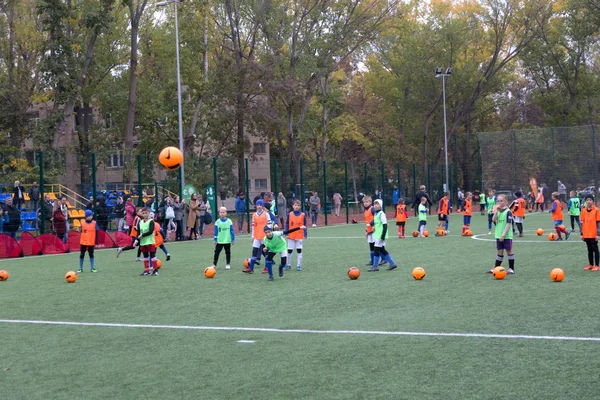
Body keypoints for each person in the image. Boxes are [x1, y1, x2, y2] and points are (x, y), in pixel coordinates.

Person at [486, 194, 515, 274]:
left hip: (506, 236)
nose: (499, 202)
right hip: (498, 235)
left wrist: (503, 235)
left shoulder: (508, 212)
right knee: (499, 252)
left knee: (509, 251)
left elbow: (508, 224)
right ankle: (496, 268)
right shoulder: (498, 211)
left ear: (506, 202)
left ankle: (511, 269)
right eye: (498, 201)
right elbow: (493, 220)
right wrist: (497, 212)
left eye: (501, 201)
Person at [242, 199, 273, 274]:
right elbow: (253, 226)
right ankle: (251, 268)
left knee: (266, 253)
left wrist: (267, 232)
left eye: (260, 205)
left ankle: (267, 268)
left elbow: (270, 224)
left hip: (264, 237)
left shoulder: (266, 214)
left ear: (262, 206)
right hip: (257, 236)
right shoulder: (254, 215)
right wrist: (253, 235)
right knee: (254, 252)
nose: (259, 206)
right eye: (258, 205)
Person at [367, 199, 398, 272]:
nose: (375, 205)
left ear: (381, 205)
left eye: (377, 204)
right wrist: (373, 227)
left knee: (376, 250)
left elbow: (385, 225)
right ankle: (392, 263)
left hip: (380, 236)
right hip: (377, 235)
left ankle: (375, 266)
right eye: (374, 204)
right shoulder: (376, 214)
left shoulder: (382, 214)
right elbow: (377, 223)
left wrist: (383, 236)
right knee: (382, 250)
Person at [362, 195, 387, 266]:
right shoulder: (365, 210)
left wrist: (371, 224)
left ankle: (384, 259)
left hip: (375, 230)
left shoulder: (372, 209)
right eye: (364, 202)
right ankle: (372, 260)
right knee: (371, 246)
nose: (365, 203)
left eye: (367, 202)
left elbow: (376, 218)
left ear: (370, 202)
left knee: (378, 246)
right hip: (369, 230)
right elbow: (367, 221)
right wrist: (366, 231)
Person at [285, 199, 307, 271]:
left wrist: (305, 234)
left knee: (299, 250)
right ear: (292, 206)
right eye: (295, 205)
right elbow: (287, 224)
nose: (296, 206)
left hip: (299, 235)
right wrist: (287, 233)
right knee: (289, 250)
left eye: (298, 205)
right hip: (291, 236)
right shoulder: (290, 214)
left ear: (300, 207)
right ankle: (288, 264)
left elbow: (305, 225)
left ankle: (299, 265)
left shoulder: (303, 215)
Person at [580, 194, 600, 271]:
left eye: (590, 200)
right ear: (585, 201)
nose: (589, 202)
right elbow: (582, 222)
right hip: (586, 234)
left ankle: (597, 265)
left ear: (593, 201)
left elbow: (598, 223)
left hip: (593, 234)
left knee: (595, 249)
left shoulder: (596, 210)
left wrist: (598, 234)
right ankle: (591, 264)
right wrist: (581, 233)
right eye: (587, 200)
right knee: (589, 250)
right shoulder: (583, 211)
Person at [137, 207, 158, 276]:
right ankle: (147, 271)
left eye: (146, 213)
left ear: (149, 213)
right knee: (145, 256)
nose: (145, 214)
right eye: (143, 213)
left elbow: (151, 231)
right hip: (143, 242)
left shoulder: (151, 221)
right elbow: (138, 232)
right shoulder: (140, 222)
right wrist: (137, 241)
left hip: (150, 242)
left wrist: (142, 235)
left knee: (152, 256)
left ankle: (155, 270)